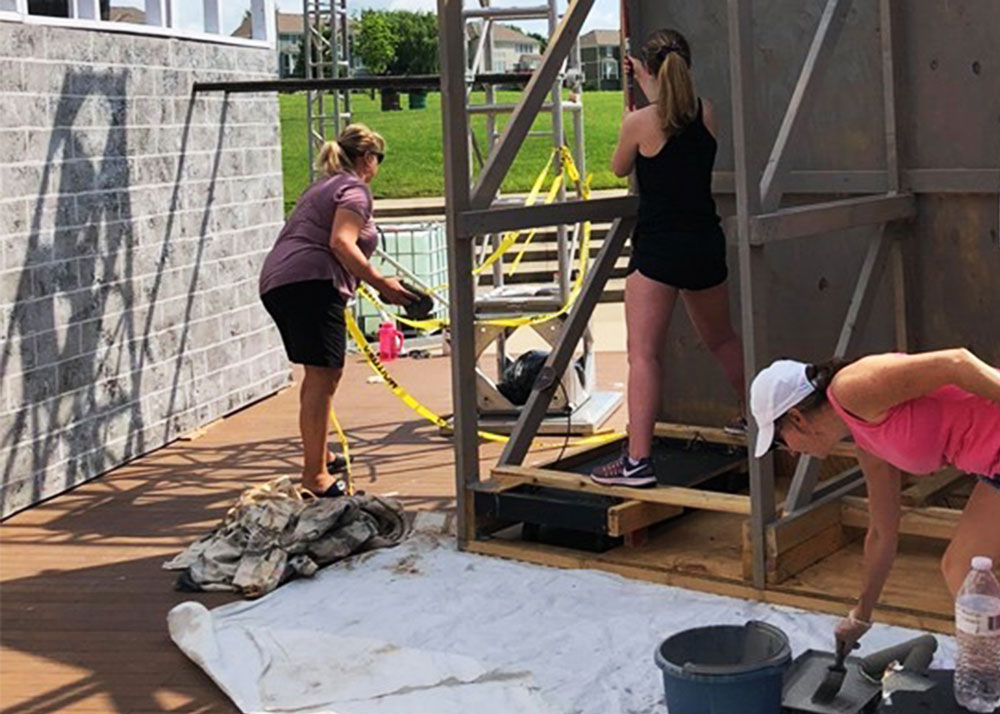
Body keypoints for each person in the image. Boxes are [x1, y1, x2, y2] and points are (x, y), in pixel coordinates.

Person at [749, 350, 1000, 648]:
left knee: (962, 571)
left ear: (796, 418)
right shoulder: (868, 444)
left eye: (780, 440)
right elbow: (882, 534)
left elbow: (955, 363)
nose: (789, 451)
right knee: (961, 569)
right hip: (994, 466)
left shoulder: (851, 389)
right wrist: (861, 615)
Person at [591, 29, 745, 488]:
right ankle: (756, 419)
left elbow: (620, 167)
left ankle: (638, 461)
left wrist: (631, 113)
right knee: (722, 340)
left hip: (659, 249)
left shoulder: (639, 122)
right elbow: (678, 116)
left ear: (650, 70)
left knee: (644, 356)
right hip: (705, 243)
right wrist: (647, 85)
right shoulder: (706, 114)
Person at [259, 124, 414, 497]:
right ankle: (315, 477)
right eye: (380, 158)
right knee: (324, 376)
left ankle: (321, 455)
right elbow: (342, 243)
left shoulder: (323, 186)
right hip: (311, 281)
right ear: (366, 158)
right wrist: (382, 283)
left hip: (281, 282)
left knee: (317, 375)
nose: (379, 166)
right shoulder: (355, 190)